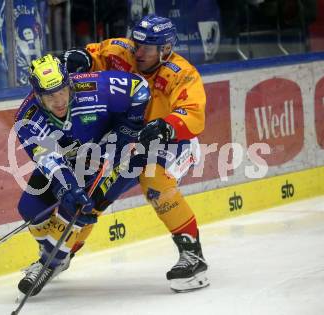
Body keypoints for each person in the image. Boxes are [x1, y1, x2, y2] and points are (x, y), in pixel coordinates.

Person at [61, 14, 209, 292]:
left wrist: (165, 126)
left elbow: (194, 115)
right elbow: (96, 55)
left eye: (147, 48)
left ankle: (193, 255)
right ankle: (60, 254)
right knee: (92, 190)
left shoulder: (183, 74)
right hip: (128, 139)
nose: (138, 52)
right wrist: (81, 57)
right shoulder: (123, 51)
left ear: (165, 50)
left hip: (174, 141)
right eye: (136, 44)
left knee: (154, 178)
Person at [14, 54, 150, 296]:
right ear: (37, 96)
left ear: (69, 84)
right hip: (68, 161)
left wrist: (128, 128)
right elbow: (47, 158)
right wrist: (67, 187)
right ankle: (54, 253)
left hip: (112, 156)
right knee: (29, 208)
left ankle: (49, 263)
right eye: (50, 96)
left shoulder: (93, 86)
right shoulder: (27, 118)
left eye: (62, 91)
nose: (59, 101)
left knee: (80, 207)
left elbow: (140, 89)